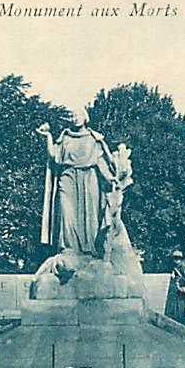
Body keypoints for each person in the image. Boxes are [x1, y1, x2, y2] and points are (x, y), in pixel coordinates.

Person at [36, 109, 116, 257]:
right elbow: (54, 156)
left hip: (89, 178)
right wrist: (47, 136)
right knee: (67, 214)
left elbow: (101, 161)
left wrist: (110, 178)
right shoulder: (65, 138)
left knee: (90, 215)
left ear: (85, 117)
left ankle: (90, 251)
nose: (75, 118)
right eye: (72, 116)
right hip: (68, 177)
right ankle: (67, 248)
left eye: (78, 115)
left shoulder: (94, 139)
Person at [164, 250, 185, 322]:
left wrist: (178, 282)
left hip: (177, 288)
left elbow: (184, 278)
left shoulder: (182, 266)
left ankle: (177, 318)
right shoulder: (178, 266)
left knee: (178, 304)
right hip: (174, 289)